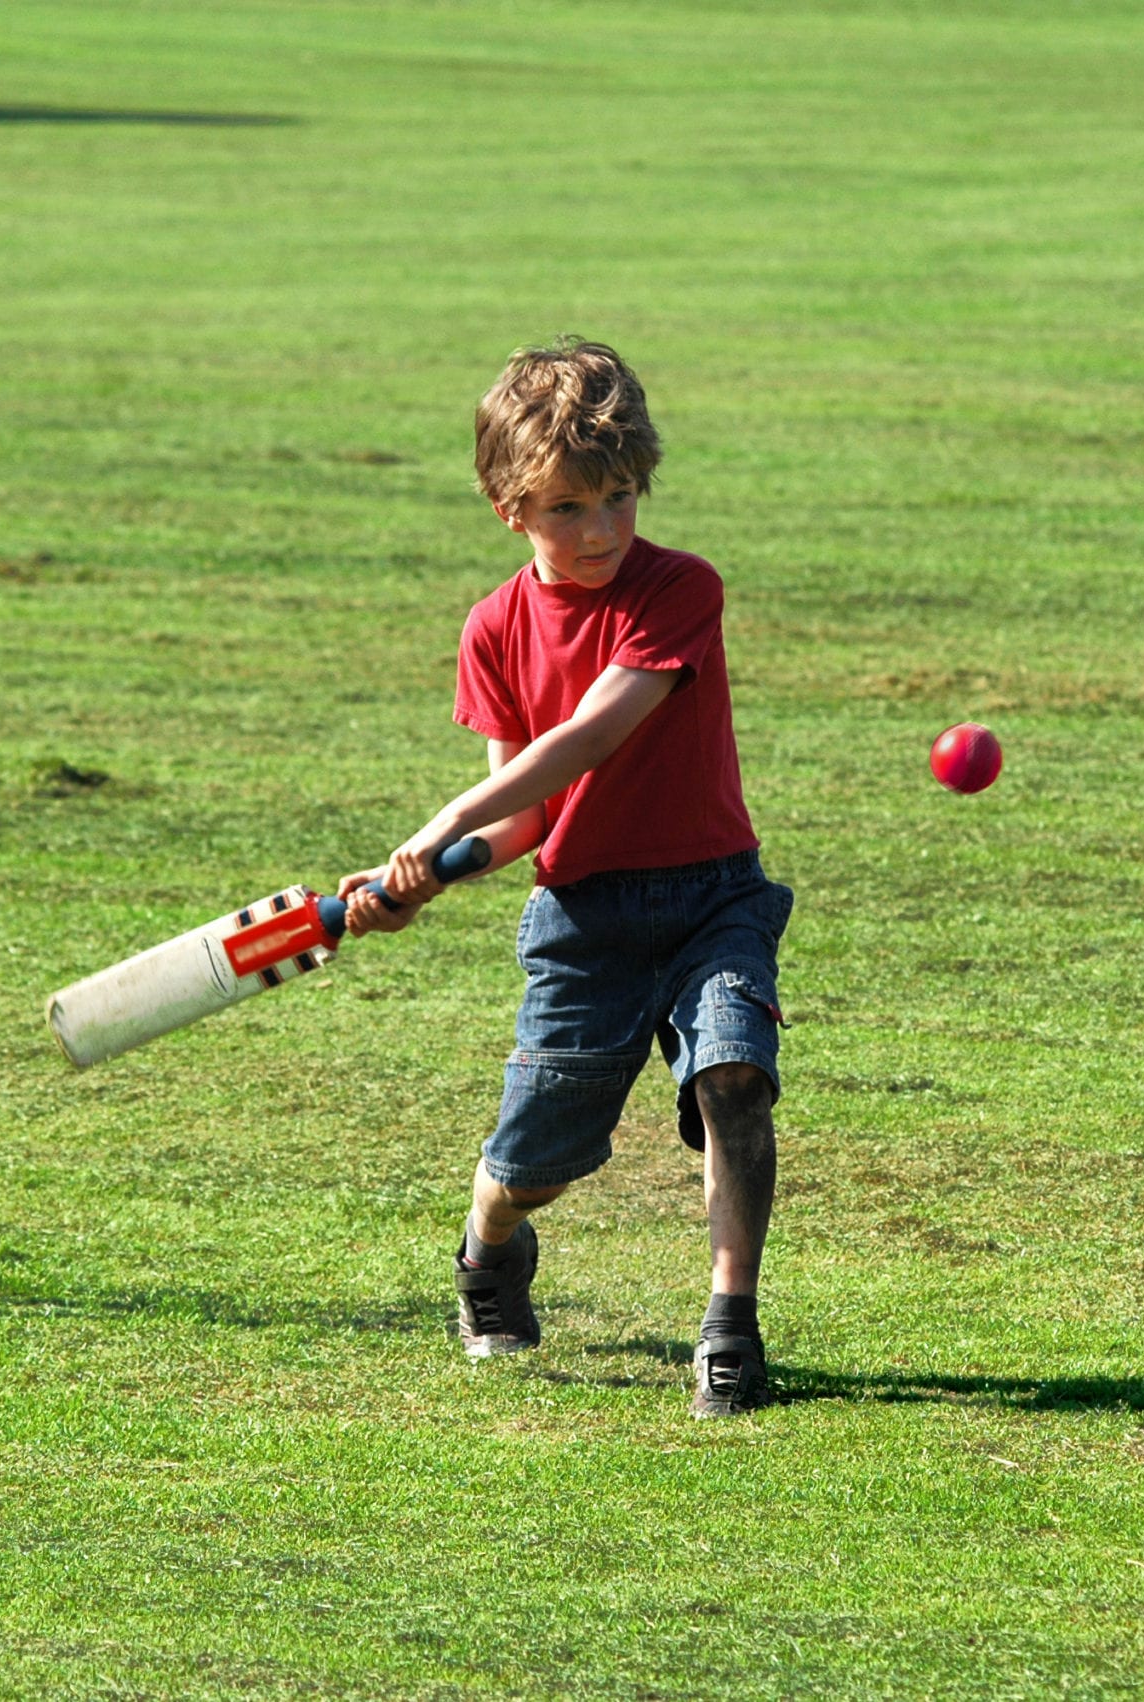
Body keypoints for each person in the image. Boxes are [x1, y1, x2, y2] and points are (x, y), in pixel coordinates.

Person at [340, 338, 792, 1419]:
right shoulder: (493, 628)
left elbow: (591, 737)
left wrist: (440, 820)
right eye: (568, 509)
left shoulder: (680, 588)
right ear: (511, 508)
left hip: (712, 895)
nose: (600, 531)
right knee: (535, 1161)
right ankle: (489, 1247)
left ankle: (729, 1326)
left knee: (733, 1076)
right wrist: (431, 877)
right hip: (583, 923)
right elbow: (532, 815)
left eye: (621, 498)